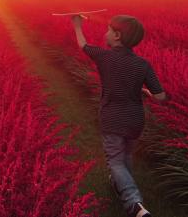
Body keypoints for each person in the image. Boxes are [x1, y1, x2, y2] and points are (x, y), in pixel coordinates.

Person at [71, 13, 169, 217]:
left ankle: (135, 205)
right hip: (135, 120)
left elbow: (83, 45)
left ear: (117, 36)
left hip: (112, 118)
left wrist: (77, 25)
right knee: (124, 156)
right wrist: (147, 92)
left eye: (108, 30)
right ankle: (120, 186)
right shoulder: (143, 64)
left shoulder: (104, 56)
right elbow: (161, 96)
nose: (105, 33)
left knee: (114, 161)